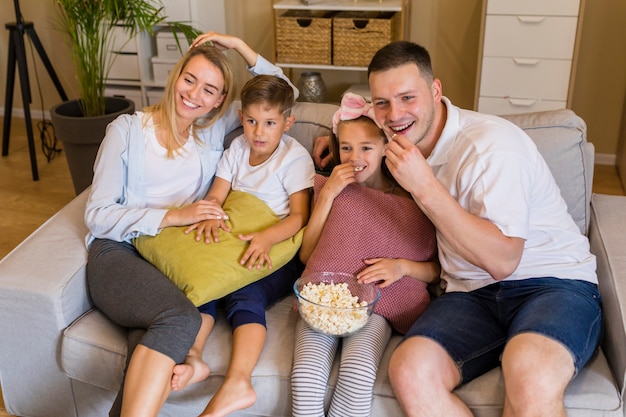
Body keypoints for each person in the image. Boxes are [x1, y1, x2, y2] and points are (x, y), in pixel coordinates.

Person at [361, 41, 600, 417]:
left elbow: (504, 261)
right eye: (382, 103)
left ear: (436, 91)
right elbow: (353, 112)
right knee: (410, 370)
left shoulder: (490, 146)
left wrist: (424, 185)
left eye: (408, 97)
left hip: (552, 281)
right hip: (470, 293)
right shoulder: (398, 140)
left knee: (530, 372)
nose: (395, 114)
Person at [84, 31, 299, 417]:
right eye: (190, 79)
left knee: (149, 353)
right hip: (120, 252)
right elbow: (97, 215)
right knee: (180, 318)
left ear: (220, 101)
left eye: (210, 90)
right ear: (176, 75)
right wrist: (176, 216)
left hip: (177, 255)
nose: (194, 95)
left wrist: (238, 46)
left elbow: (282, 91)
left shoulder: (210, 130)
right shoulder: (127, 131)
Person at [173, 73, 315, 417]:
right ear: (242, 119)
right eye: (251, 121)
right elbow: (218, 194)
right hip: (236, 239)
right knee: (206, 283)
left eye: (269, 123)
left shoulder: (293, 159)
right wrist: (209, 214)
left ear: (287, 123)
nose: (258, 132)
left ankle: (239, 381)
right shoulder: (237, 149)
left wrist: (267, 237)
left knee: (244, 294)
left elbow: (300, 217)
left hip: (277, 250)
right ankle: (193, 356)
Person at [291, 93, 439, 417]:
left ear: (387, 146)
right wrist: (329, 192)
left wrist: (402, 267)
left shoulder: (414, 198)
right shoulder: (329, 187)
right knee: (305, 376)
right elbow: (305, 256)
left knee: (358, 374)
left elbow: (438, 271)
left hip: (377, 311)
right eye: (346, 147)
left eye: (365, 148)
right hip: (322, 305)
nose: (354, 157)